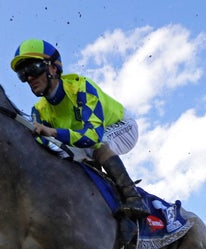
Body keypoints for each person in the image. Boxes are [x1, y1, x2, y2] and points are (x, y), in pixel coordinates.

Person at [10, 39, 150, 220]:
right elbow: (44, 150)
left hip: (121, 127)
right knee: (69, 162)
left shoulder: (81, 87)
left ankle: (134, 197)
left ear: (53, 68)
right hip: (82, 139)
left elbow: (92, 136)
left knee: (97, 146)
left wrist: (52, 132)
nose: (29, 78)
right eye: (23, 74)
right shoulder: (38, 111)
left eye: (33, 69)